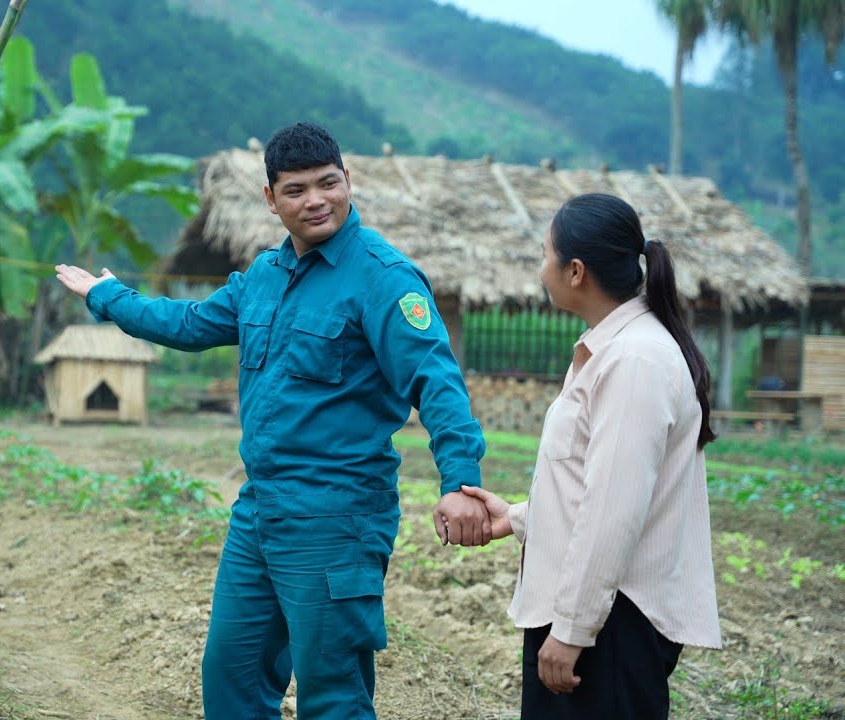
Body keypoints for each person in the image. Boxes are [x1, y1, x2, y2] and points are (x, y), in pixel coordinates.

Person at [54, 121, 489, 718]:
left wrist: (460, 481)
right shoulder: (264, 277)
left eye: (327, 184)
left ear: (347, 182)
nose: (315, 200)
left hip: (337, 517)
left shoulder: (382, 278)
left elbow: (436, 381)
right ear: (271, 199)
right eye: (296, 190)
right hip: (259, 511)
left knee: (332, 693)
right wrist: (109, 297)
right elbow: (185, 323)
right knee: (231, 676)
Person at [462, 193, 722, 719]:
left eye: (545, 254)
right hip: (599, 617)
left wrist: (573, 629)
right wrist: (516, 518)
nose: (541, 269)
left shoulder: (634, 361)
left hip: (609, 625)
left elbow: (613, 511)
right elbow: (590, 487)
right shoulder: (614, 351)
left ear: (575, 271)